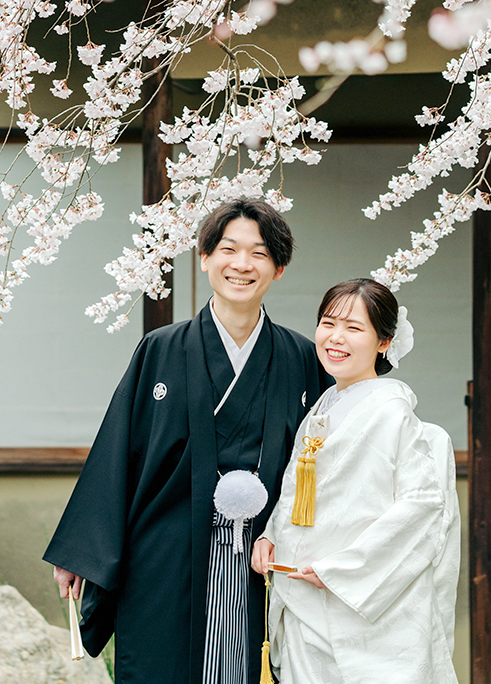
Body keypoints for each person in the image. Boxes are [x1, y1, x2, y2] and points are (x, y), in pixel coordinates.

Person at [45, 198, 332, 684]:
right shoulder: (160, 350)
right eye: (228, 249)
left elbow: (322, 464)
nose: (242, 265)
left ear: (278, 269)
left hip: (266, 554)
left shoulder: (302, 356)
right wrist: (84, 553)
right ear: (203, 258)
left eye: (260, 254)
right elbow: (119, 452)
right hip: (166, 550)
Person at [251, 278, 460, 684]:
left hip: (363, 606)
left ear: (384, 342)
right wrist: (271, 535)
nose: (336, 338)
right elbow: (299, 489)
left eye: (354, 328)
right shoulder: (322, 407)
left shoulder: (390, 412)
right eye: (328, 323)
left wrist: (341, 569)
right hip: (304, 592)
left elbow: (421, 510)